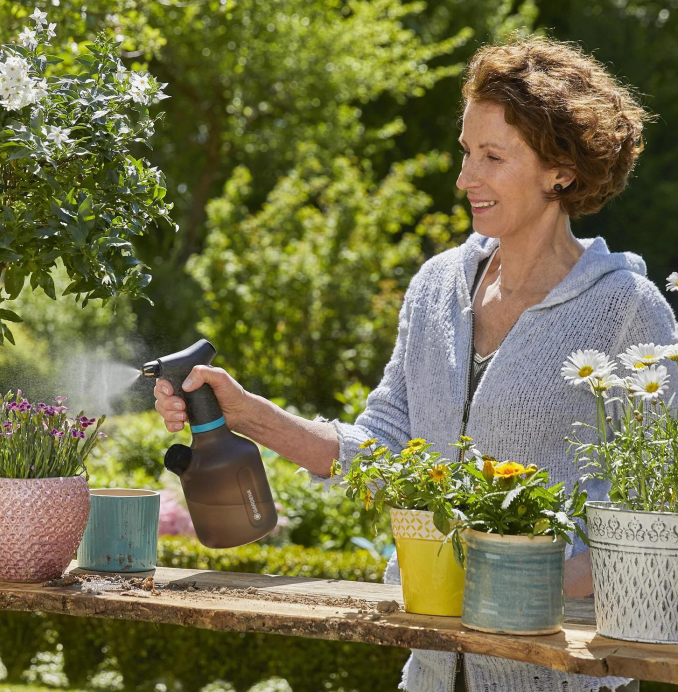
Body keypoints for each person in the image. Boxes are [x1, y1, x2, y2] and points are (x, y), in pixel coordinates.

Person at [154, 35, 676, 692]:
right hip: (429, 666)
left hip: (557, 673)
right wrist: (249, 415)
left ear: (560, 169)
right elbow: (383, 450)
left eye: (492, 156)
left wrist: (515, 587)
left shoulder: (627, 310)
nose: (465, 179)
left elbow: (655, 514)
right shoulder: (437, 288)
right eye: (465, 152)